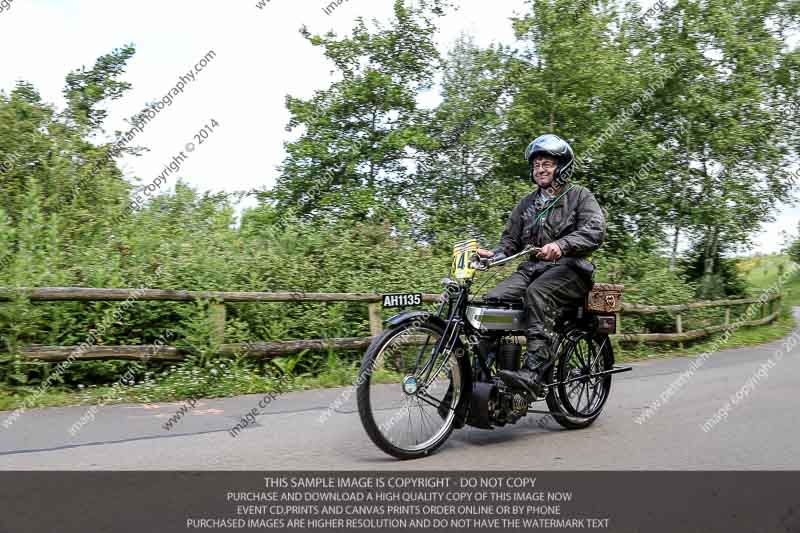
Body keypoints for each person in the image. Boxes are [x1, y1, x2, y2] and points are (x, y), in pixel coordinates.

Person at [477, 134, 606, 396]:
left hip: (571, 270)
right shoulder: (526, 204)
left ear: (561, 167)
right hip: (532, 269)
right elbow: (509, 243)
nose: (540, 169)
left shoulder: (579, 196)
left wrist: (562, 245)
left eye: (547, 163)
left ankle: (533, 371)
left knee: (538, 293)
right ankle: (482, 372)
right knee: (492, 300)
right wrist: (492, 256)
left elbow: (595, 230)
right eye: (536, 165)